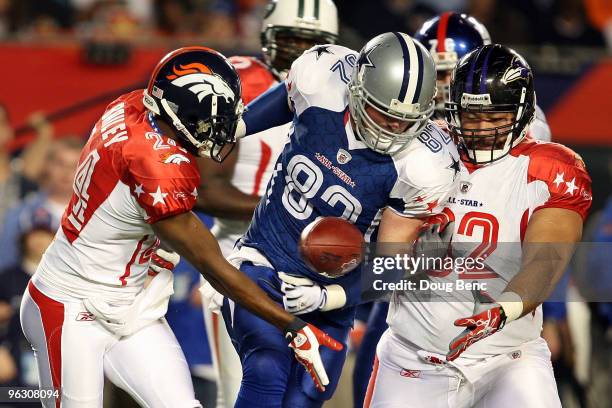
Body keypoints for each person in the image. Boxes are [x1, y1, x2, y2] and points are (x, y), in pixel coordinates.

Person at [18, 46, 341, 408]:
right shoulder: (155, 163)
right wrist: (291, 325)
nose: (217, 131)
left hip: (133, 305)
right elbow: (214, 267)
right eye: (209, 119)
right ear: (178, 110)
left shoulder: (136, 104)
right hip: (70, 304)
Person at [201, 31, 461, 407]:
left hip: (334, 298)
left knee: (304, 398)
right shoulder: (322, 80)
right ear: (355, 88)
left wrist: (330, 296)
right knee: (266, 368)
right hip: (264, 262)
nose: (390, 127)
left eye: (404, 121)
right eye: (380, 112)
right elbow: (288, 99)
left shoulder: (423, 165)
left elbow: (391, 262)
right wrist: (239, 127)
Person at [365, 44, 591, 408]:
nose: (482, 128)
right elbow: (377, 272)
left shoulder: (550, 168)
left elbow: (546, 261)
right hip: (414, 357)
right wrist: (407, 262)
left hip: (509, 359)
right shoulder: (421, 151)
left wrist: (505, 310)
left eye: (495, 116)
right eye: (472, 116)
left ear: (522, 114)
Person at [194, 1, 339, 405]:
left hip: (308, 271)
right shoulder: (237, 82)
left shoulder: (339, 94)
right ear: (267, 39)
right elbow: (208, 190)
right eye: (290, 39)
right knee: (242, 391)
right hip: (237, 261)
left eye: (313, 43)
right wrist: (286, 212)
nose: (300, 53)